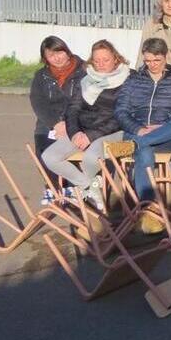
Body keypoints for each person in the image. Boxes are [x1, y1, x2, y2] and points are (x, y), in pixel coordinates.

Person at [115, 38, 171, 233]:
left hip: (166, 134)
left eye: (157, 60)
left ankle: (136, 144)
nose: (152, 65)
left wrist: (160, 128)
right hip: (138, 130)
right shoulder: (133, 80)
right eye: (148, 60)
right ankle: (148, 209)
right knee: (144, 152)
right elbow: (120, 111)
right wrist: (139, 129)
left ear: (166, 57)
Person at [41, 40, 130, 212]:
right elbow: (72, 110)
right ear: (91, 61)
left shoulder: (128, 80)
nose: (101, 64)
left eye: (106, 59)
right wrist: (75, 133)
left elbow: (121, 116)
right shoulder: (86, 79)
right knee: (50, 157)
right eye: (97, 61)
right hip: (82, 130)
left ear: (116, 59)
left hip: (114, 131)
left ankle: (90, 203)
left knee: (90, 158)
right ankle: (89, 188)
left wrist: (91, 136)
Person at [29, 36, 85, 205]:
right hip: (50, 124)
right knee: (43, 149)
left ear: (66, 51)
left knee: (71, 150)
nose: (57, 58)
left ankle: (71, 186)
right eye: (51, 55)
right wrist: (55, 123)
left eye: (59, 52)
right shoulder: (41, 76)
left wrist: (68, 124)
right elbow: (38, 102)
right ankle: (52, 188)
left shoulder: (83, 70)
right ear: (45, 58)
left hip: (76, 122)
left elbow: (83, 100)